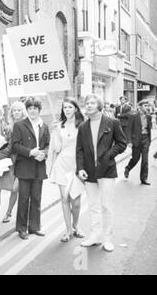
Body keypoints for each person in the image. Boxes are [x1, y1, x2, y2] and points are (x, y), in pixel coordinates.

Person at [77, 94, 127, 252]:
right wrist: (80, 168)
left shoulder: (112, 122)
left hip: (106, 170)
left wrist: (108, 156)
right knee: (93, 206)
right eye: (87, 103)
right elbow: (79, 150)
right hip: (89, 172)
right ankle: (95, 236)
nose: (89, 105)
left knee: (106, 205)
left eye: (92, 103)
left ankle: (108, 238)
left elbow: (122, 143)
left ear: (99, 106)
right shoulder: (83, 127)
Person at [11, 97, 50, 240]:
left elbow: (48, 145)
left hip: (39, 167)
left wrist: (44, 154)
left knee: (36, 198)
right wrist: (30, 152)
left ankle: (34, 227)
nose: (32, 111)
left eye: (35, 108)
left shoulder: (44, 126)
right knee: (23, 199)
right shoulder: (19, 125)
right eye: (30, 109)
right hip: (24, 167)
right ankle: (21, 228)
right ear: (27, 110)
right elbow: (14, 145)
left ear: (39, 110)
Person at [48, 98, 85, 242]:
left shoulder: (82, 125)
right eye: (65, 108)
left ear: (76, 108)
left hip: (77, 166)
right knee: (64, 199)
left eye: (70, 107)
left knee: (75, 200)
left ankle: (76, 225)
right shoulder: (60, 126)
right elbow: (57, 148)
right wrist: (56, 132)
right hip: (62, 164)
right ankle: (68, 230)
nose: (67, 110)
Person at [1, 101, 27, 224]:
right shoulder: (8, 127)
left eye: (19, 110)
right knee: (13, 189)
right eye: (14, 110)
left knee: (18, 188)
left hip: (24, 160)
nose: (16, 112)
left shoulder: (28, 125)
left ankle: (15, 214)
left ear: (23, 111)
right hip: (12, 160)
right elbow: (6, 144)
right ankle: (10, 212)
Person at [124, 100, 152, 186]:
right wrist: (129, 141)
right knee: (136, 158)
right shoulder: (133, 116)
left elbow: (149, 128)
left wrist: (149, 139)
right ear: (140, 107)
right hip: (136, 140)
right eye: (145, 105)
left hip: (146, 139)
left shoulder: (148, 116)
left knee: (145, 160)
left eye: (147, 105)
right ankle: (128, 168)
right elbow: (128, 130)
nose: (147, 107)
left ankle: (144, 179)